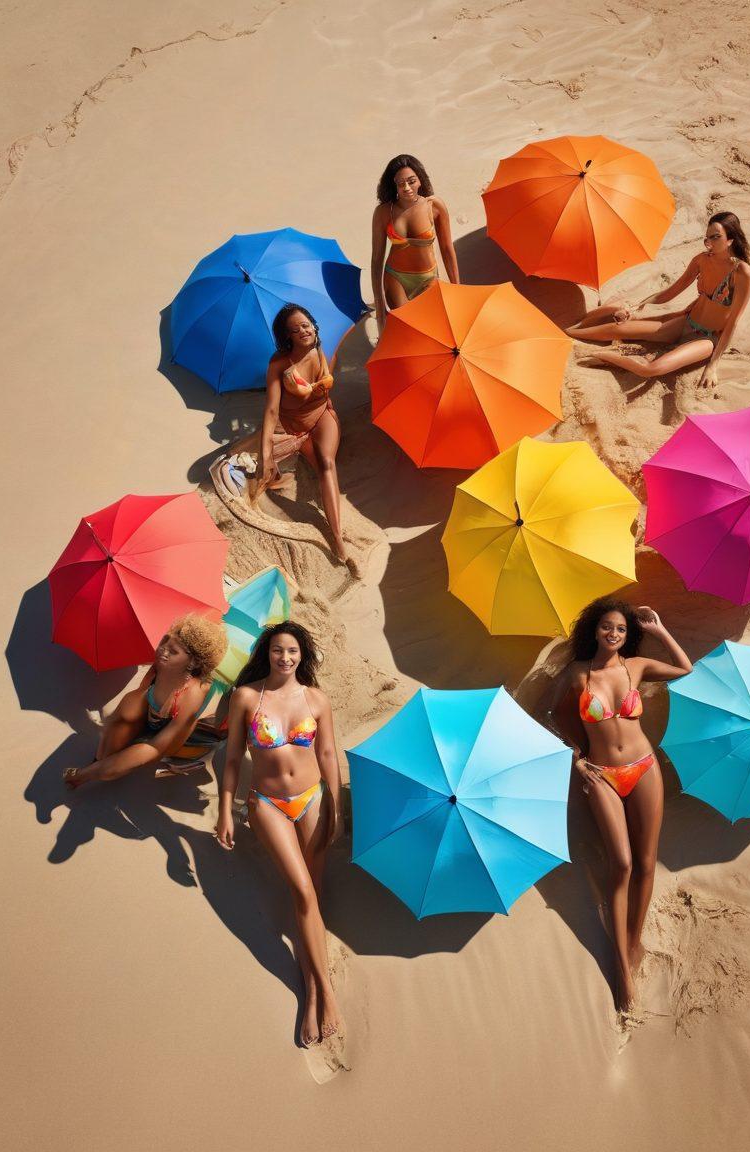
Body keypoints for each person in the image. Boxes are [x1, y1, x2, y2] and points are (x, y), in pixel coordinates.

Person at [543, 600, 692, 1012]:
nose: (614, 634)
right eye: (608, 628)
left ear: (628, 636)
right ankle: (622, 966)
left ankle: (631, 944)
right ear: (594, 630)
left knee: (646, 862)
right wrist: (576, 757)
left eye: (621, 630)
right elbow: (553, 712)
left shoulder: (637, 667)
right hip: (602, 773)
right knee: (621, 863)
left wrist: (660, 631)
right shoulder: (577, 674)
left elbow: (684, 670)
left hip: (644, 768)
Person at [215, 622, 344, 1047]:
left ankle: (311, 988)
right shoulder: (247, 697)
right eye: (277, 651)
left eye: (292, 651)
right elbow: (233, 756)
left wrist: (336, 805)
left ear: (302, 655)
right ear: (266, 653)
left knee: (313, 893)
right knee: (304, 893)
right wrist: (226, 811)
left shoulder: (317, 699)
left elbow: (326, 752)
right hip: (267, 804)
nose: (284, 658)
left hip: (312, 799)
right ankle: (321, 993)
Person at [565, 211, 750, 389]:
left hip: (707, 339)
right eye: (707, 237)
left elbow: (732, 323)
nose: (709, 242)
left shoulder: (741, 272)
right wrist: (637, 306)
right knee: (619, 329)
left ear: (730, 240)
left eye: (715, 237)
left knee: (651, 370)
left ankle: (602, 356)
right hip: (686, 322)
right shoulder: (701, 260)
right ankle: (569, 332)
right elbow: (671, 292)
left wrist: (713, 366)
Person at [64, 615, 227, 788]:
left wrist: (90, 773)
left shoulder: (194, 693)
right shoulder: (162, 665)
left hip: (169, 737)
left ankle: (90, 772)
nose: (163, 651)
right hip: (151, 717)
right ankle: (97, 765)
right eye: (165, 642)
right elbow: (141, 694)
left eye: (173, 651)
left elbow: (157, 747)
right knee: (106, 753)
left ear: (193, 662)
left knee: (109, 769)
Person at [257, 304, 350, 568]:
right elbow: (272, 410)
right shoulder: (278, 364)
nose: (304, 331)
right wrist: (266, 455)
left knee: (326, 463)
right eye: (296, 329)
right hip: (291, 425)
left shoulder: (318, 349)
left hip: (321, 416)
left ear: (313, 325)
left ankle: (337, 536)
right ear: (288, 336)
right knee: (256, 467)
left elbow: (324, 388)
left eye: (306, 325)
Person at [370, 154, 459, 331]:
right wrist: (380, 308)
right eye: (400, 183)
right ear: (393, 185)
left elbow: (447, 249)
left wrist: (457, 290)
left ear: (420, 180)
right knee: (409, 330)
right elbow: (376, 260)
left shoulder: (434, 206)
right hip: (396, 278)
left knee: (434, 329)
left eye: (411, 181)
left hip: (429, 278)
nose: (407, 188)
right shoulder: (383, 212)